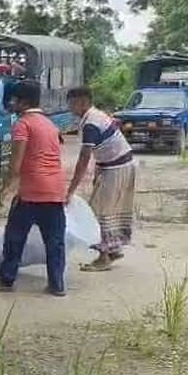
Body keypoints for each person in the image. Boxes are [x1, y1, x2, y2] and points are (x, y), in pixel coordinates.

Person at [0, 81, 67, 296]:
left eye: (13, 99)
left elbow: (15, 164)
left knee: (14, 237)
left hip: (32, 192)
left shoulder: (23, 124)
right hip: (55, 190)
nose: (10, 103)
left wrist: (5, 189)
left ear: (23, 102)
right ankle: (57, 284)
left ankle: (6, 279)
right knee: (55, 242)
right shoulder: (50, 124)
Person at [64, 86, 136, 272]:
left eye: (71, 104)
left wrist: (71, 190)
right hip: (116, 164)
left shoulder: (91, 123)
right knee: (109, 209)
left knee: (99, 211)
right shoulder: (94, 116)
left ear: (81, 102)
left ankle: (104, 256)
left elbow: (83, 159)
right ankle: (113, 249)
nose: (70, 108)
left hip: (116, 166)